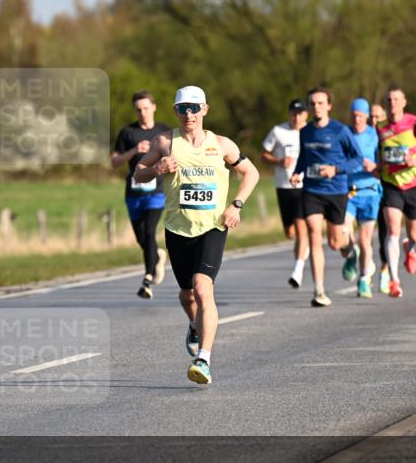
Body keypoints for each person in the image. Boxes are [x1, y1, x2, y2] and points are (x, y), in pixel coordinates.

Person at [134, 86, 259, 385]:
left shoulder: (222, 144)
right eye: (182, 108)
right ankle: (194, 324)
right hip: (177, 228)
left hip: (212, 227)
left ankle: (203, 359)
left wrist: (236, 205)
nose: (188, 113)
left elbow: (251, 173)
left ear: (205, 109)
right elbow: (138, 173)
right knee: (187, 293)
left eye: (194, 107)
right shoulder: (164, 142)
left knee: (203, 288)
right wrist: (157, 169)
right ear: (175, 111)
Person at [290, 87, 363, 307]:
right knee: (314, 234)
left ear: (329, 106)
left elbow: (357, 159)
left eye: (321, 103)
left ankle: (350, 250)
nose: (316, 107)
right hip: (312, 191)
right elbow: (303, 157)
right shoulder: (305, 132)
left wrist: (336, 169)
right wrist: (297, 172)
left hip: (336, 191)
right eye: (312, 104)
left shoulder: (340, 131)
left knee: (334, 242)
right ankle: (319, 291)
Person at [374, 86, 416, 298]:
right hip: (391, 184)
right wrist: (374, 167)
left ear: (404, 102)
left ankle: (409, 248)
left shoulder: (414, 123)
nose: (392, 102)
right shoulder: (380, 127)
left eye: (396, 99)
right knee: (393, 230)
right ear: (385, 104)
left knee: (414, 234)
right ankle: (395, 280)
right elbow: (377, 154)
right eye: (389, 99)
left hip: (413, 184)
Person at [111, 90, 172, 298]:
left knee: (149, 232)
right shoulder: (127, 133)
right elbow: (114, 162)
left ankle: (147, 279)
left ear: (153, 107)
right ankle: (157, 255)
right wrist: (134, 150)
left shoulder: (165, 132)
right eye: (138, 109)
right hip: (134, 192)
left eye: (146, 108)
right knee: (141, 239)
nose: (143, 112)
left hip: (157, 191)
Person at [262, 99, 309, 288]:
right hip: (283, 186)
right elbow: (263, 154)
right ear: (289, 114)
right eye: (293, 113)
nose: (297, 117)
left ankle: (298, 270)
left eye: (300, 113)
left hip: (305, 187)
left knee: (300, 226)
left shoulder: (311, 131)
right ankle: (301, 250)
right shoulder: (278, 131)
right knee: (290, 233)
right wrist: (278, 161)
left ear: (306, 115)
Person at [343, 98, 382, 297]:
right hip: (350, 191)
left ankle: (364, 279)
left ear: (367, 117)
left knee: (365, 240)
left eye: (360, 116)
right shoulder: (345, 134)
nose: (357, 119)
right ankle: (351, 254)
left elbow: (384, 166)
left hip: (371, 191)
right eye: (354, 115)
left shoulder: (376, 136)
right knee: (343, 233)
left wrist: (374, 167)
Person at [371, 102, 393, 293]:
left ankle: (385, 270)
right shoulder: (358, 136)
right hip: (364, 191)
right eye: (371, 117)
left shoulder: (388, 137)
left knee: (384, 234)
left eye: (378, 117)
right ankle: (365, 267)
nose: (374, 121)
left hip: (385, 189)